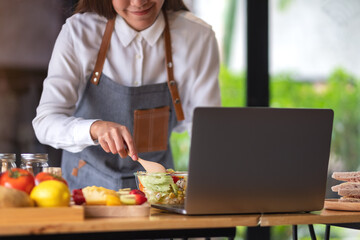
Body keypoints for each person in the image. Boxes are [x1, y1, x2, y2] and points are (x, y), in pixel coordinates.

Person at [33, 0, 221, 190]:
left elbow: (208, 133)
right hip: (85, 192)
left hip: (158, 194)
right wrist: (94, 128)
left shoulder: (197, 37)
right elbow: (45, 123)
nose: (139, 2)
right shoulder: (79, 32)